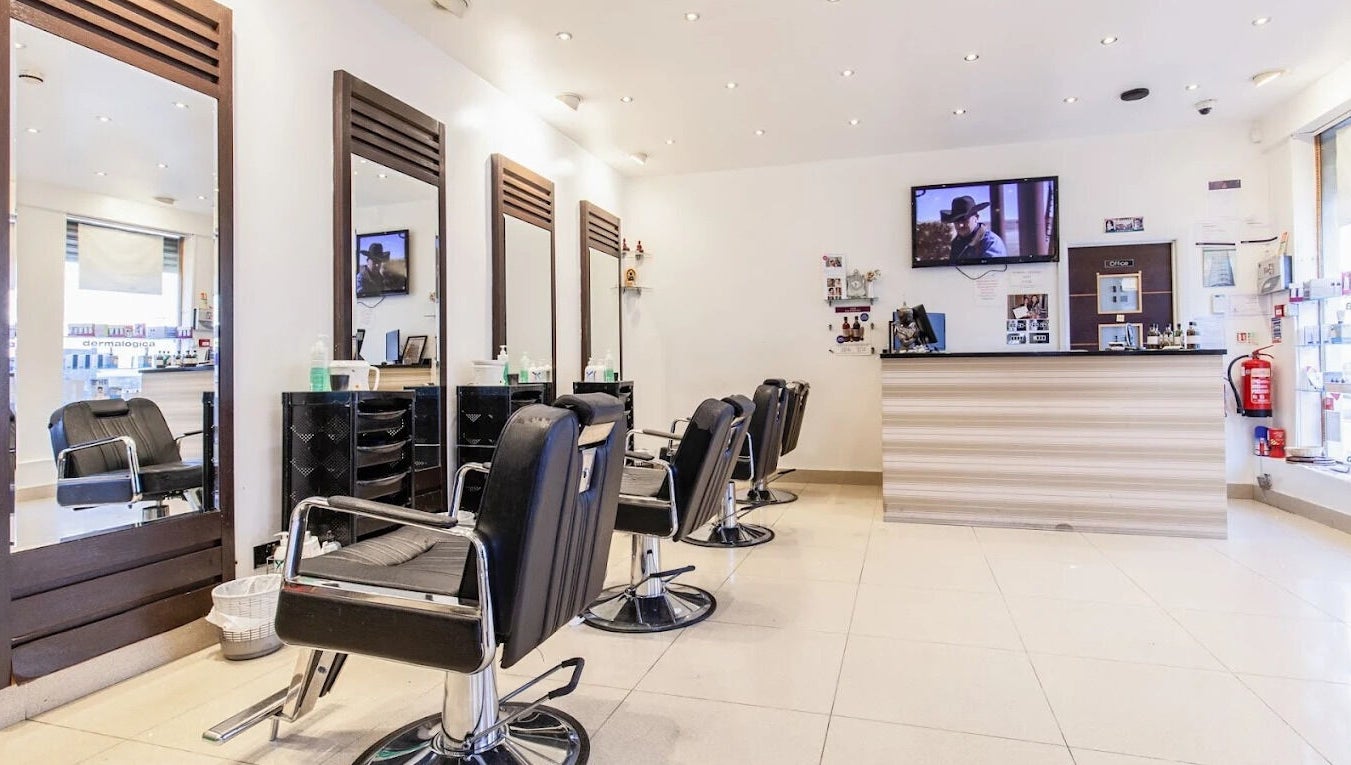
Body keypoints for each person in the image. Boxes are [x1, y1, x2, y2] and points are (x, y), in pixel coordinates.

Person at [942, 195, 1008, 263]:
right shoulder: (956, 243)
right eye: (956, 221)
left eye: (965, 220)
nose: (960, 225)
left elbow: (993, 270)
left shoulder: (991, 242)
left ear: (976, 217)